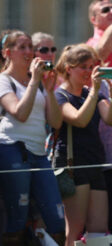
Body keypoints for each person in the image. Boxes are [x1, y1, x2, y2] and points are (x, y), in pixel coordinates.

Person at [0, 31, 65, 246]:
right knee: (17, 220)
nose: (29, 52)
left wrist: (48, 90)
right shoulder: (4, 80)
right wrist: (35, 81)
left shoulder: (36, 82)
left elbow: (55, 123)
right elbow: (19, 112)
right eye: (22, 47)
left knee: (56, 220)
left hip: (39, 153)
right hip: (12, 149)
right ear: (7, 53)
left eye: (30, 46)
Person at [54, 44, 112, 246]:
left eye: (92, 67)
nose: (89, 72)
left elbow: (110, 119)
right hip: (73, 165)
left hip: (94, 162)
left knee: (99, 228)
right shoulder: (60, 95)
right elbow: (79, 119)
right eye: (84, 67)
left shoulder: (92, 93)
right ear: (69, 68)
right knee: (75, 229)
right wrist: (95, 91)